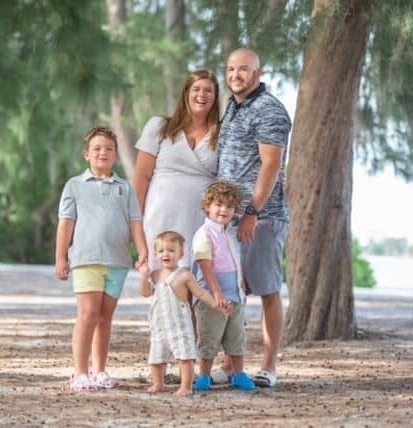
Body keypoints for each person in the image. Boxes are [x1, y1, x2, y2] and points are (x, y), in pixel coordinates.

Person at [215, 48, 292, 388]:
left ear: (258, 73)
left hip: (261, 218)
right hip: (229, 219)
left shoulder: (270, 109)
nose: (235, 75)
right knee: (232, 292)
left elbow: (271, 164)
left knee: (268, 291)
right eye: (231, 69)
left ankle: (269, 368)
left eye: (243, 69)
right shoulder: (233, 106)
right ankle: (232, 365)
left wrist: (252, 212)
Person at [55, 126, 147, 393]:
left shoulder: (125, 188)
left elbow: (135, 223)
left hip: (117, 261)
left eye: (108, 149)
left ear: (116, 154)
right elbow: (65, 224)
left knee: (105, 318)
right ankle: (80, 373)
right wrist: (61, 257)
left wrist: (142, 252)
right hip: (86, 259)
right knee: (88, 314)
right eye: (97, 148)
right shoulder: (75, 185)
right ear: (87, 154)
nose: (102, 153)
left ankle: (100, 370)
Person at [133, 69, 220, 272]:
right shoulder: (160, 126)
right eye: (196, 89)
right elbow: (141, 176)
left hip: (200, 219)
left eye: (209, 90)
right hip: (161, 214)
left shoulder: (222, 134)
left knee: (194, 282)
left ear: (215, 98)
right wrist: (135, 222)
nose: (202, 94)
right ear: (186, 93)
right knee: (162, 281)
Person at [138, 231, 227, 397]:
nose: (166, 254)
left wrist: (216, 304)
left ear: (181, 254)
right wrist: (143, 276)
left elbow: (200, 293)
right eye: (162, 250)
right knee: (157, 358)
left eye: (171, 250)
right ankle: (158, 383)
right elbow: (145, 293)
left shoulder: (185, 275)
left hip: (180, 327)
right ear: (156, 254)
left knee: (185, 358)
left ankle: (186, 386)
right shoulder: (155, 275)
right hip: (160, 326)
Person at [192, 181, 256, 392]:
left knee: (236, 337)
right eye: (218, 204)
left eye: (229, 206)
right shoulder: (204, 234)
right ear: (207, 206)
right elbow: (206, 265)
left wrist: (242, 284)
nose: (224, 210)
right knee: (209, 337)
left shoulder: (229, 233)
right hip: (213, 297)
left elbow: (236, 260)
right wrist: (217, 293)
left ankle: (238, 374)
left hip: (235, 296)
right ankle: (204, 376)